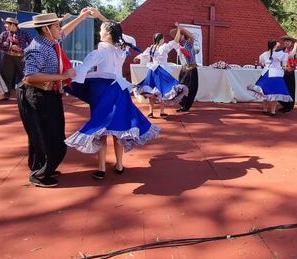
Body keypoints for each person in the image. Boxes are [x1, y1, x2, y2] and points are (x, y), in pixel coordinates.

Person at [66, 9, 160, 179]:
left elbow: (80, 71)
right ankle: (119, 164)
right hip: (120, 90)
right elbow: (126, 38)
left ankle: (102, 167)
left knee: (101, 128)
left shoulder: (99, 52)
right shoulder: (121, 49)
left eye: (101, 29)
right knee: (119, 128)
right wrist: (104, 19)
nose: (99, 32)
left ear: (107, 33)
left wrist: (65, 78)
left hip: (103, 92)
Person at [17, 10, 90, 188]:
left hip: (49, 94)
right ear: (45, 29)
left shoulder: (51, 40)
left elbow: (66, 31)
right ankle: (40, 174)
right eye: (56, 26)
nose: (60, 29)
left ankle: (42, 167)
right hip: (37, 95)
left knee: (47, 134)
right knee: (48, 136)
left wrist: (80, 18)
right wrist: (62, 75)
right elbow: (29, 76)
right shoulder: (37, 48)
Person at [134, 31, 188, 117]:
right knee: (162, 91)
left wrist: (137, 57)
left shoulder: (152, 48)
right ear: (161, 39)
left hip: (153, 71)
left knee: (152, 91)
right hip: (161, 71)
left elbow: (144, 54)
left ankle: (151, 111)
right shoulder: (164, 47)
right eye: (163, 38)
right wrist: (178, 30)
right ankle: (161, 112)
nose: (164, 40)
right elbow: (175, 41)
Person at [248, 40, 292, 115]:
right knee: (275, 93)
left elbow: (261, 63)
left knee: (264, 92)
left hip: (265, 74)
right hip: (276, 75)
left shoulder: (263, 54)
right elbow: (286, 60)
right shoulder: (279, 53)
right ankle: (273, 111)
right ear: (275, 45)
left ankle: (265, 109)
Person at [0, 17, 32, 100]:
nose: (5, 25)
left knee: (23, 75)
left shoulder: (24, 33)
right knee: (6, 76)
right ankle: (6, 94)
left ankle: (26, 94)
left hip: (20, 58)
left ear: (12, 24)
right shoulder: (4, 34)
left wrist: (23, 50)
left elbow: (32, 43)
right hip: (7, 57)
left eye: (6, 24)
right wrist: (10, 46)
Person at [172, 24, 199, 112]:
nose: (178, 36)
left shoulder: (188, 43)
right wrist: (178, 31)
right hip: (184, 69)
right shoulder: (179, 44)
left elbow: (191, 37)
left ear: (183, 36)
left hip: (191, 69)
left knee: (190, 88)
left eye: (179, 34)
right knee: (181, 87)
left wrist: (181, 28)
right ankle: (183, 104)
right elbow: (175, 41)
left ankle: (186, 106)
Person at [278, 35, 297, 112]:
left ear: (291, 43)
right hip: (282, 71)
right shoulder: (281, 50)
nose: (286, 42)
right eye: (285, 41)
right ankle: (284, 104)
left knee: (290, 88)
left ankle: (289, 106)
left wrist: (296, 49)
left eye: (288, 41)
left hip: (290, 71)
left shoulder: (294, 50)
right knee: (282, 87)